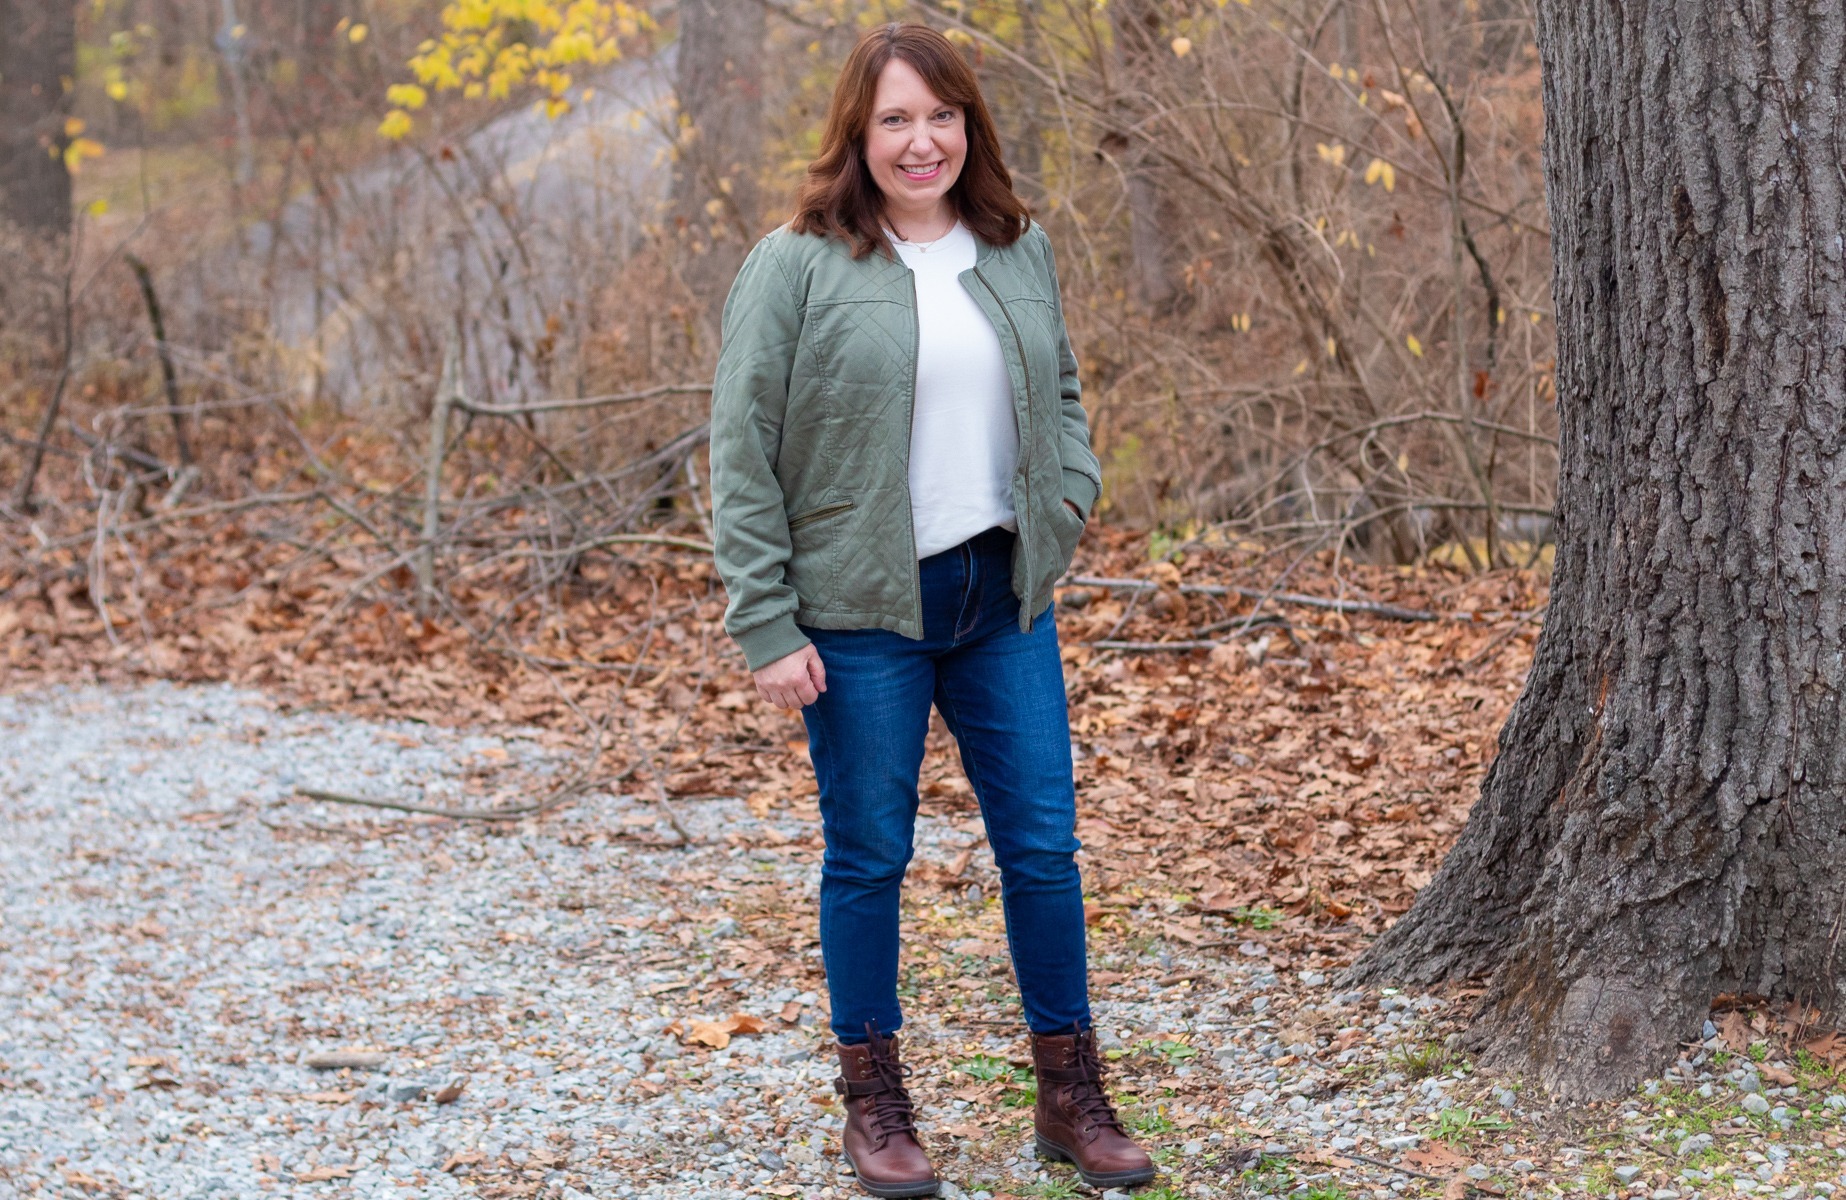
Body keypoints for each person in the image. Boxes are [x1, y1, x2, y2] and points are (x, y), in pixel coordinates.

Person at [708, 22, 1156, 1199]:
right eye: (897, 119)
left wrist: (1067, 491)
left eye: (942, 116)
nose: (923, 141)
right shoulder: (797, 262)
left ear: (970, 127)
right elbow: (741, 449)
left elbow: (1057, 387)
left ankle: (1070, 1093)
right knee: (869, 856)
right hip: (859, 612)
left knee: (1043, 852)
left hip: (1000, 595)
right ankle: (876, 1102)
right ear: (859, 132)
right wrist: (766, 621)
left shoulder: (1016, 248)